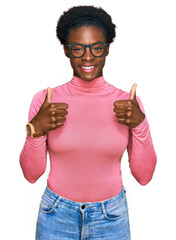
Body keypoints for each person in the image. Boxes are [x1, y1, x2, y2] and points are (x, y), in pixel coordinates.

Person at [19, 5, 157, 240]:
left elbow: (144, 176)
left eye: (96, 47)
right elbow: (32, 175)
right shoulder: (45, 101)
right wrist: (36, 130)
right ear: (66, 50)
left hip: (111, 217)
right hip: (56, 215)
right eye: (78, 49)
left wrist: (140, 124)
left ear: (107, 49)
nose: (88, 56)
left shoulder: (128, 103)